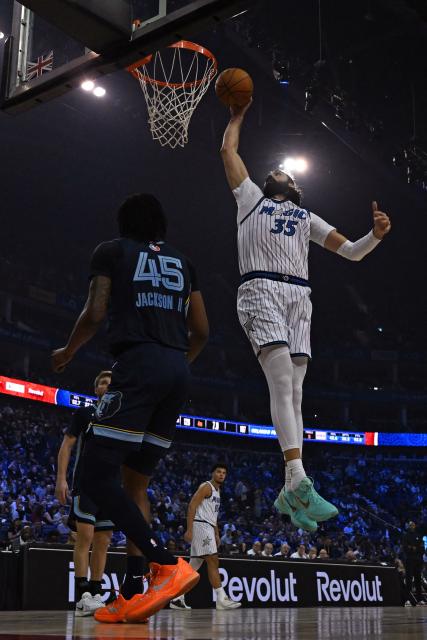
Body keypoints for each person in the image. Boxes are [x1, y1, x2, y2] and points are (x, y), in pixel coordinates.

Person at [220, 100, 391, 533]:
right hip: (260, 287)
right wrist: (237, 118)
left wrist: (375, 235)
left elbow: (352, 252)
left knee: (295, 392)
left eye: (289, 173)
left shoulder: (306, 217)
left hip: (300, 297)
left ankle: (287, 489)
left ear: (295, 188)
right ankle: (298, 477)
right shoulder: (251, 201)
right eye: (277, 171)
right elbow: (228, 154)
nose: (283, 172)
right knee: (280, 380)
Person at [52, 193, 209, 623]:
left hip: (138, 364)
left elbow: (96, 310)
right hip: (177, 370)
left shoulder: (112, 251)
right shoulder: (183, 261)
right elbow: (202, 330)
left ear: (123, 223)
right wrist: (171, 368)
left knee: (93, 476)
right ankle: (137, 588)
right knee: (135, 484)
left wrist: (67, 351)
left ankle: (163, 563)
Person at [55, 370, 114, 617]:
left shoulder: (120, 418)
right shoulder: (85, 413)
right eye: (102, 382)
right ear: (96, 389)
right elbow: (67, 444)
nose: (107, 385)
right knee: (85, 536)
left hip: (111, 487)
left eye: (111, 383)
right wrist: (61, 479)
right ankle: (82, 597)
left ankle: (96, 592)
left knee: (104, 540)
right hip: (85, 483)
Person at [170, 463, 241, 610]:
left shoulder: (218, 491)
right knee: (213, 560)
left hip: (208, 526)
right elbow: (192, 506)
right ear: (212, 473)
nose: (221, 474)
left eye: (224, 472)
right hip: (200, 525)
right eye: (218, 472)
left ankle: (177, 598)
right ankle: (221, 598)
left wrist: (216, 533)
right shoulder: (206, 487)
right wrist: (189, 530)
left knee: (192, 568)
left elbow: (213, 516)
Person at [402, 521, 426, 605]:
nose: (412, 526)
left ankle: (419, 599)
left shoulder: (419, 536)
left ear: (415, 526)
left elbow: (422, 550)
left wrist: (413, 548)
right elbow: (405, 548)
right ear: (408, 526)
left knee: (418, 579)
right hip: (409, 560)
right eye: (410, 525)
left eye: (413, 525)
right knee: (408, 580)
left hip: (418, 561)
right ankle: (407, 600)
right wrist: (414, 548)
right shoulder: (405, 536)